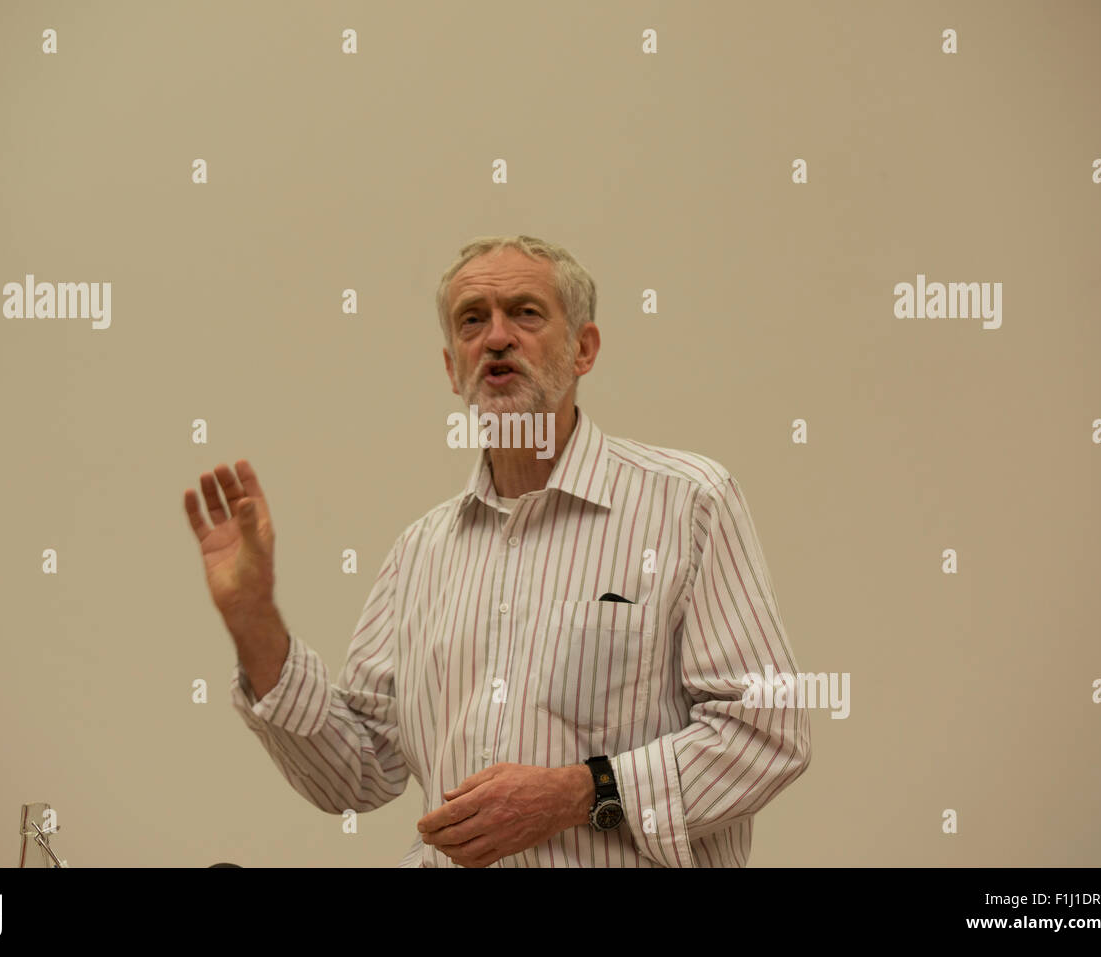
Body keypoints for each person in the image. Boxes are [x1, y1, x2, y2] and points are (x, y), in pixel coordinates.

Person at [182, 235, 811, 867]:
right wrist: (254, 619)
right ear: (452, 367)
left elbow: (768, 732)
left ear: (583, 349)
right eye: (472, 320)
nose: (497, 336)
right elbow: (358, 773)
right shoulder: (419, 554)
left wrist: (577, 793)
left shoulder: (687, 504)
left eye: (526, 312)